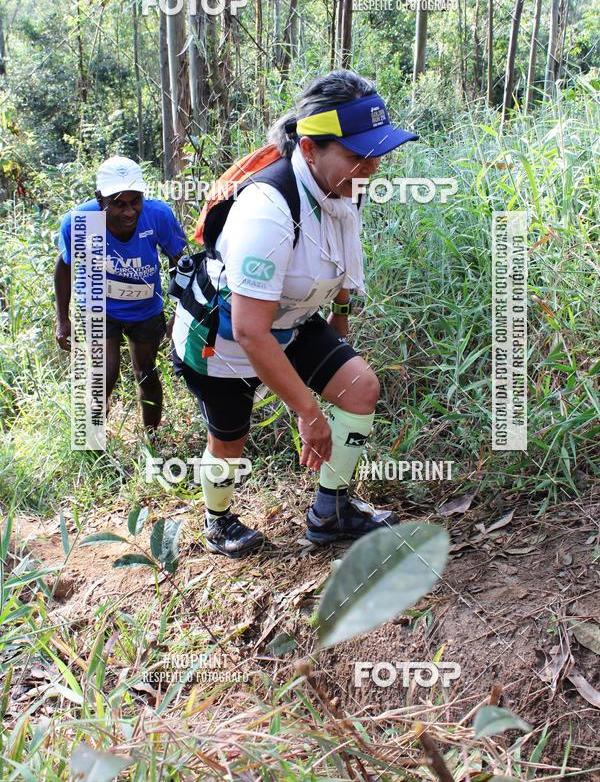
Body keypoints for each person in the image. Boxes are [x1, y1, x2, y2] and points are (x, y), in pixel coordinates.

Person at [172, 69, 418, 557]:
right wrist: (307, 413)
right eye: (357, 154)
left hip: (292, 320)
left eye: (377, 154)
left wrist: (340, 324)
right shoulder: (268, 207)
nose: (371, 166)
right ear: (309, 149)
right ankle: (217, 520)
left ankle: (330, 512)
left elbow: (344, 257)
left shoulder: (342, 188)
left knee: (361, 388)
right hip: (222, 338)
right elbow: (248, 329)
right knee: (230, 440)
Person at [54, 156, 187, 430]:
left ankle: (153, 439)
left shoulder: (157, 215)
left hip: (145, 309)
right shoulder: (81, 222)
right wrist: (62, 319)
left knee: (147, 375)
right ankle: (93, 444)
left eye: (135, 201)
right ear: (100, 199)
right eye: (118, 203)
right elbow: (64, 266)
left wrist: (181, 312)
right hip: (100, 308)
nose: (129, 212)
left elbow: (181, 263)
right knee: (105, 375)